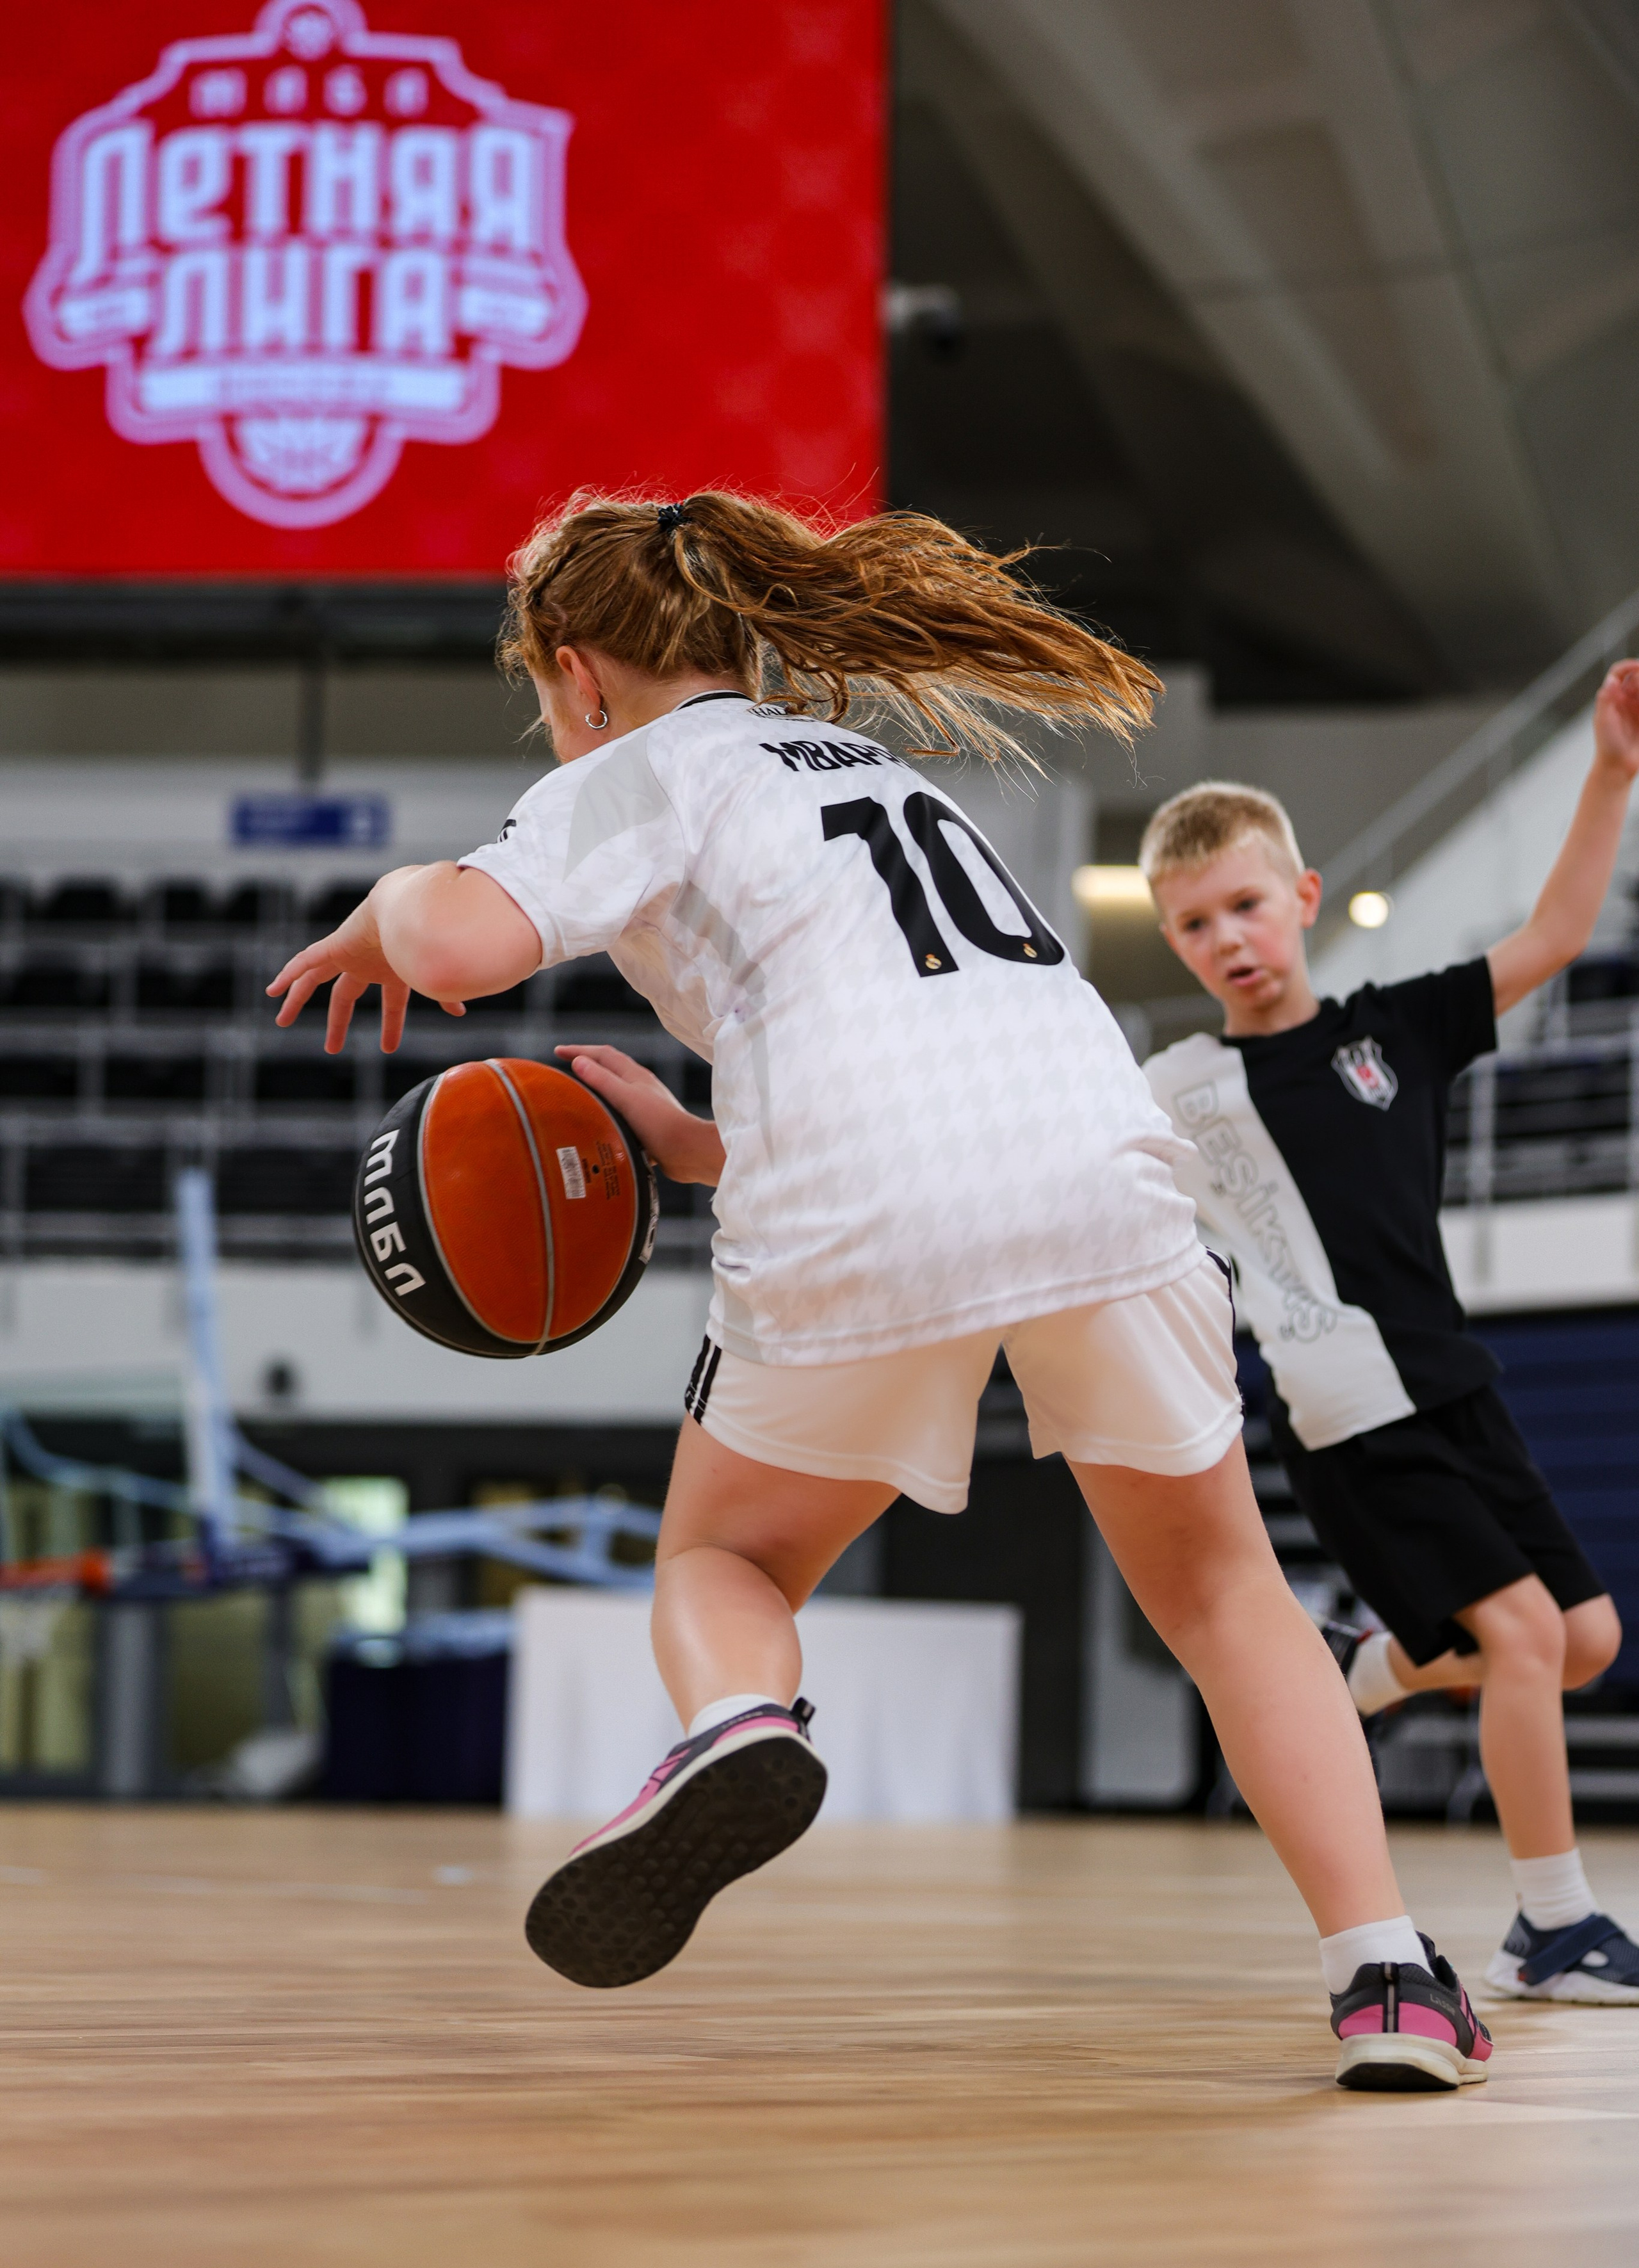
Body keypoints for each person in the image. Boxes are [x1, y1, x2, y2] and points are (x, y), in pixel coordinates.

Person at [268, 490, 1490, 2088]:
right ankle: (1386, 1982)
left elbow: (456, 946)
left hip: (863, 1197)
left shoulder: (636, 767)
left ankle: (738, 1727)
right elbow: (918, 1053)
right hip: (1093, 1159)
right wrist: (689, 1147)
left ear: (576, 675)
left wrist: (384, 903)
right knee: (1221, 1599)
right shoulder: (876, 771)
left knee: (721, 1562)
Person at [1140, 660, 1639, 2005]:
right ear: (1177, 945)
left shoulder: (1395, 1030)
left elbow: (1549, 932)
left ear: (1300, 900)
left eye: (1244, 904)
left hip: (1456, 1386)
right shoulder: (1179, 1092)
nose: (1226, 938)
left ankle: (1375, 1666)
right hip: (1349, 1414)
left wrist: (1605, 773)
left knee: (1582, 1640)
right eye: (1192, 926)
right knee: (1528, 1642)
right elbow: (1016, 1149)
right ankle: (1552, 1924)